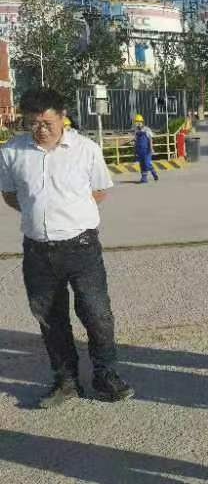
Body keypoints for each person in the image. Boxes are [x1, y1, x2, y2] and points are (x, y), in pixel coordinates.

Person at [0, 88, 134, 408]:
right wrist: (39, 213)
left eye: (47, 122)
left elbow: (99, 191)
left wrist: (68, 214)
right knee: (50, 318)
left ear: (62, 117)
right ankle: (66, 380)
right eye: (33, 123)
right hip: (38, 251)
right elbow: (10, 195)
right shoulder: (12, 152)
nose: (41, 129)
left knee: (97, 314)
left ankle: (105, 375)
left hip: (81, 248)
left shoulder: (86, 149)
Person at [133, 114, 159, 183]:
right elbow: (135, 141)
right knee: (142, 164)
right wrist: (135, 150)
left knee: (147, 163)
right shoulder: (136, 131)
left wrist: (151, 148)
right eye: (135, 122)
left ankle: (153, 172)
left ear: (141, 122)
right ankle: (144, 178)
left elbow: (150, 139)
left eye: (137, 122)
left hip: (147, 150)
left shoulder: (147, 129)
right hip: (139, 150)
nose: (136, 123)